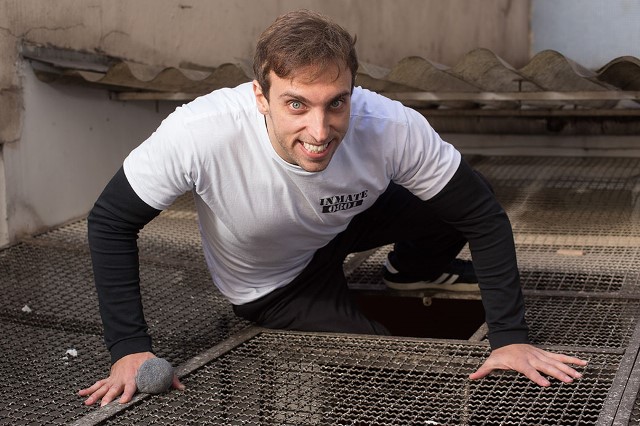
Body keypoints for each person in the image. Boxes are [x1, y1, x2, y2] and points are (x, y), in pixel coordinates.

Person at [79, 9, 587, 407]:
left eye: (336, 103)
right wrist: (129, 348)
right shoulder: (199, 133)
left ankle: (410, 272)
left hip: (340, 222)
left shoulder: (390, 126)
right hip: (277, 282)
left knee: (454, 198)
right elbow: (110, 222)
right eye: (297, 104)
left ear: (353, 90)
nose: (320, 132)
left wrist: (510, 339)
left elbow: (482, 213)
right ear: (261, 96)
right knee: (389, 364)